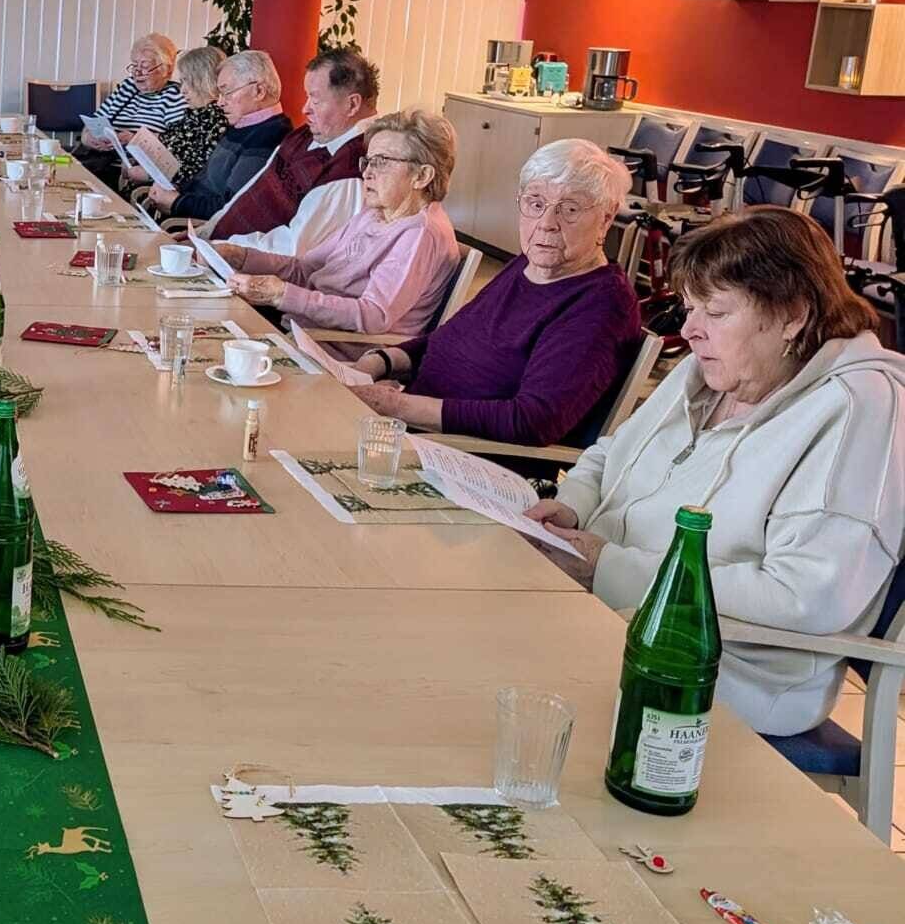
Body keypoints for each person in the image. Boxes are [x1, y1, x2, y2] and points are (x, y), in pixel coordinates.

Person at [526, 207, 905, 737]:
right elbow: (610, 451)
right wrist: (575, 504)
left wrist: (607, 568)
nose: (690, 330)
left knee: (488, 655)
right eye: (689, 307)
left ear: (792, 314)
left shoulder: (857, 407)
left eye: (716, 312)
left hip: (722, 666)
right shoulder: (711, 370)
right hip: (614, 611)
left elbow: (806, 598)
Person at [348, 138, 643, 449]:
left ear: (607, 218)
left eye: (570, 209)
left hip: (464, 456)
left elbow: (533, 421)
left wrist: (395, 407)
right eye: (535, 203)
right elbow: (446, 340)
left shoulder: (602, 305)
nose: (546, 224)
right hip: (413, 430)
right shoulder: (525, 265)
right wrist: (380, 362)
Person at [217, 108, 461, 359]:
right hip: (301, 331)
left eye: (382, 162)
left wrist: (282, 295)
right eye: (368, 161)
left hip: (335, 352)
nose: (367, 172)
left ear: (422, 176)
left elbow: (373, 315)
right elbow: (304, 269)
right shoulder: (373, 213)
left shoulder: (420, 233)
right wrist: (240, 256)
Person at [195, 47, 377, 256]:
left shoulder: (350, 166)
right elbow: (251, 190)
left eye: (315, 100)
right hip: (219, 250)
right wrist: (207, 232)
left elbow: (294, 248)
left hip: (247, 271)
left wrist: (222, 248)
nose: (305, 109)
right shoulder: (307, 135)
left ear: (352, 104)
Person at [144, 49, 291, 221]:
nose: (220, 102)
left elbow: (232, 208)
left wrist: (177, 201)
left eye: (227, 92)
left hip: (195, 230)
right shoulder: (243, 124)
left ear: (259, 91)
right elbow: (204, 181)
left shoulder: (269, 135)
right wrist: (175, 190)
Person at [120, 45, 231, 202]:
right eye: (181, 82)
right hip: (150, 194)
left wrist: (146, 174)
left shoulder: (214, 119)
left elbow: (192, 174)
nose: (182, 90)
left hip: (165, 200)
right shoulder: (194, 113)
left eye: (187, 82)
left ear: (203, 81)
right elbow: (168, 147)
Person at [73, 33, 187, 185]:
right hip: (98, 163)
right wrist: (89, 138)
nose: (137, 72)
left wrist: (135, 139)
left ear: (166, 68)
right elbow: (92, 123)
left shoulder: (175, 96)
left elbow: (178, 144)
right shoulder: (128, 87)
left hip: (131, 173)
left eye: (145, 66)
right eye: (134, 65)